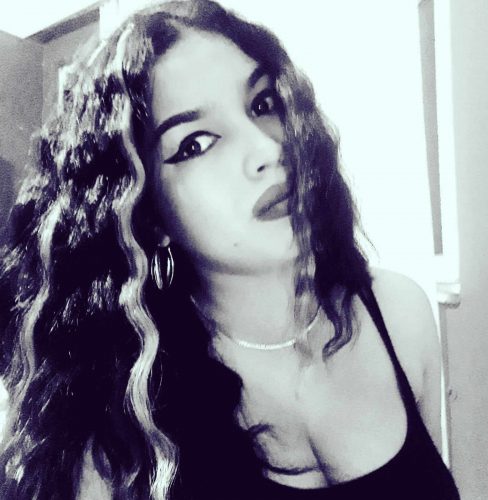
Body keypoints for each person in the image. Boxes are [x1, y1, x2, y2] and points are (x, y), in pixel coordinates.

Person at [0, 1, 460, 499]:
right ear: (149, 216)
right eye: (196, 143)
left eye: (263, 104)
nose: (267, 150)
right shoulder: (120, 439)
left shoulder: (400, 314)